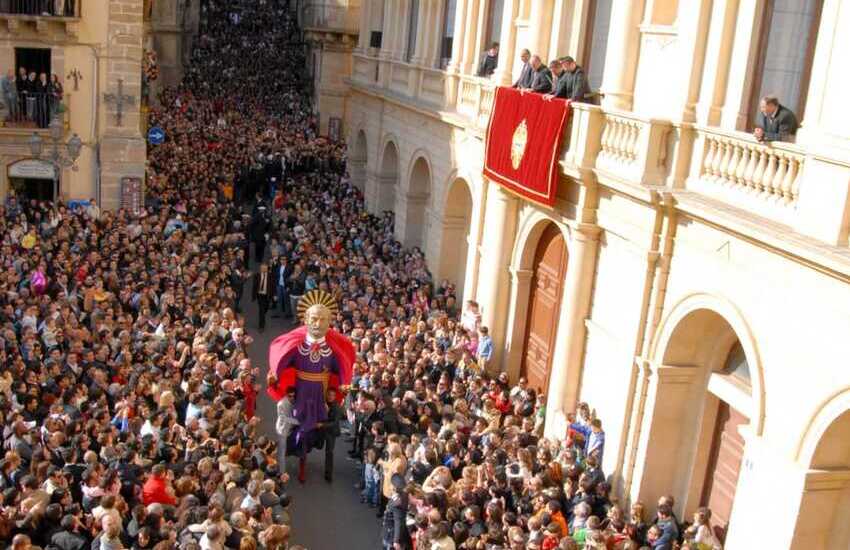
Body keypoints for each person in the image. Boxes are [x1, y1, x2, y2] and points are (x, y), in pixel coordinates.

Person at [266, 291, 355, 483]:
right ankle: (298, 464)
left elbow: (342, 370)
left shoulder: (333, 349)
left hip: (321, 396)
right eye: (314, 319)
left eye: (323, 320)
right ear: (305, 319)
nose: (318, 324)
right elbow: (281, 364)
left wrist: (344, 386)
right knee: (300, 431)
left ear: (330, 321)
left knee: (319, 434)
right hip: (301, 394)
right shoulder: (296, 346)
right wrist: (274, 377)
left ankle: (320, 467)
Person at [382, 474, 411, 550]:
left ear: (394, 487)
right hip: (392, 531)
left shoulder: (397, 503)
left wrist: (396, 541)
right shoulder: (403, 495)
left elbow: (398, 522)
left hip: (391, 534)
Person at [320, 387, 342, 482]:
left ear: (335, 396)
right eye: (329, 395)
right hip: (323, 430)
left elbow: (334, 423)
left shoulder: (337, 407)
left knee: (329, 452)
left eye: (332, 395)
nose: (330, 397)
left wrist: (322, 424)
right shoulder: (323, 403)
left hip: (331, 432)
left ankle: (328, 474)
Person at [251, 262, 272, 332]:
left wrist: (274, 295)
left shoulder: (270, 275)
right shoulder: (257, 275)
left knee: (265, 308)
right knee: (261, 310)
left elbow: (273, 285)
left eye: (265, 268)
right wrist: (253, 295)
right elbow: (254, 286)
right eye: (262, 268)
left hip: (267, 295)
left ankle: (263, 316)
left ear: (267, 269)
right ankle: (261, 326)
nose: (263, 269)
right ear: (260, 269)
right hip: (260, 295)